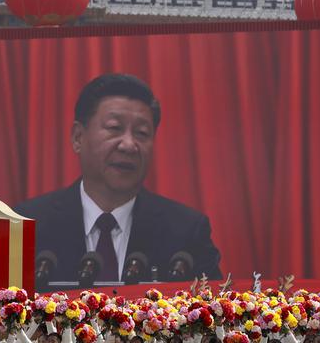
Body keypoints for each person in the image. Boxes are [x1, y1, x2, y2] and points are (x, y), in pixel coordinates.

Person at [13, 73, 222, 285]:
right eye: (114, 128)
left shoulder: (186, 233)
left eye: (142, 133)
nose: (129, 145)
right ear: (78, 137)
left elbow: (215, 311)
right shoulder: (26, 227)